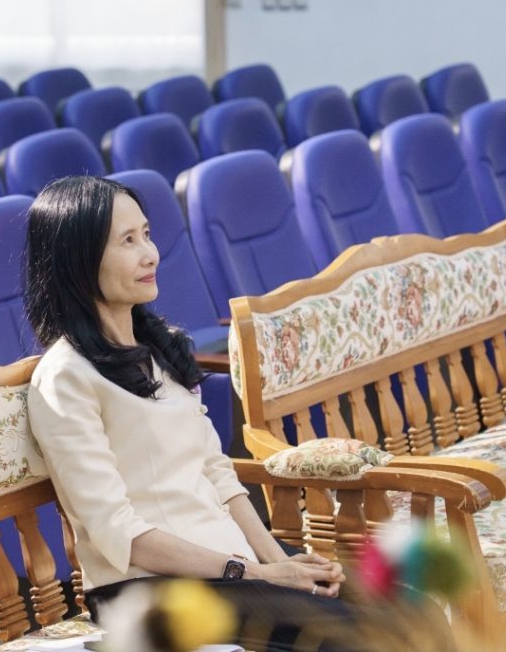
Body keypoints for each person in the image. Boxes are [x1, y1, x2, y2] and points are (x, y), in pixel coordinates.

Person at [23, 176, 434, 652]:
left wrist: (278, 559)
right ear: (78, 259)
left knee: (412, 610)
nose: (150, 254)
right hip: (149, 588)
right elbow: (119, 532)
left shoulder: (156, 351)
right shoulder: (65, 377)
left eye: (147, 234)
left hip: (229, 565)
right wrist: (258, 573)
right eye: (127, 241)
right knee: (359, 641)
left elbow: (217, 473)